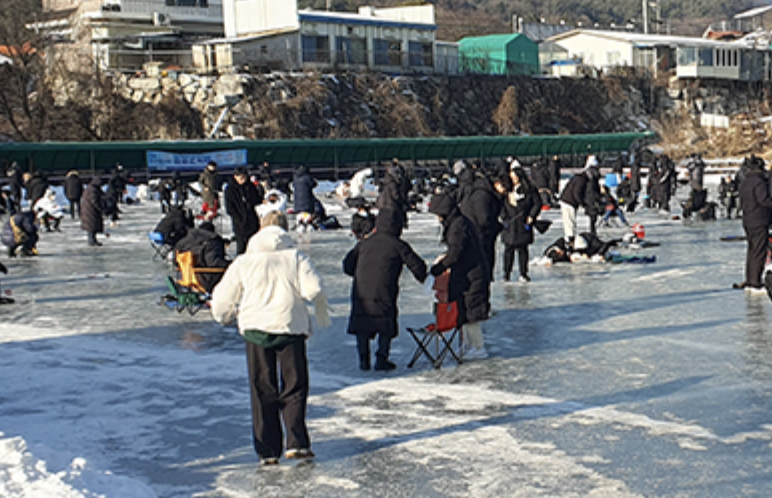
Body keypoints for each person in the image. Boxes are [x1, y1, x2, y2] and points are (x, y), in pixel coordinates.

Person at [211, 211, 330, 466]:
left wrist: (223, 316)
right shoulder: (296, 257)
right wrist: (317, 302)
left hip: (256, 329)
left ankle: (267, 449)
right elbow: (314, 289)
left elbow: (222, 298)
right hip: (290, 327)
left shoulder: (244, 262)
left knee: (262, 388)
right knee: (294, 386)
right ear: (285, 231)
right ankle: (296, 442)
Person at [343, 208, 427, 371]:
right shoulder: (397, 245)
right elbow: (417, 265)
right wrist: (426, 279)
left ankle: (364, 359)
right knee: (385, 321)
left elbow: (347, 266)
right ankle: (382, 358)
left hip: (362, 289)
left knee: (362, 321)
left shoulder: (364, 244)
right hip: (384, 290)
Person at [427, 193, 491, 359]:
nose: (437, 218)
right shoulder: (458, 222)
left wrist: (439, 267)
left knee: (471, 313)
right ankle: (468, 345)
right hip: (467, 273)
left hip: (472, 275)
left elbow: (456, 253)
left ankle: (478, 347)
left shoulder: (458, 226)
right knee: (463, 310)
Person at [455, 160, 502, 281]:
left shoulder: (469, 190)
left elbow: (482, 218)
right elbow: (484, 219)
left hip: (473, 235)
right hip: (479, 237)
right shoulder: (479, 191)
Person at [495, 166, 541, 283]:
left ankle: (523, 273)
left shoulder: (529, 189)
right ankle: (506, 274)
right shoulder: (507, 190)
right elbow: (500, 205)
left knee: (522, 249)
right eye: (512, 177)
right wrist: (504, 217)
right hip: (510, 223)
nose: (514, 180)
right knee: (508, 250)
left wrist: (531, 215)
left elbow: (537, 203)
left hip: (523, 222)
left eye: (515, 177)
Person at [735, 155, 772, 293]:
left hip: (748, 220)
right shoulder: (759, 182)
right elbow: (763, 200)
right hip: (759, 220)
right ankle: (755, 282)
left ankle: (751, 280)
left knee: (752, 251)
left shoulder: (746, 181)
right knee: (759, 252)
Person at [174, 221, 230, 293]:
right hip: (206, 280)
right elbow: (214, 262)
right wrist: (231, 264)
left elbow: (175, 261)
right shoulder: (213, 241)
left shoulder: (182, 242)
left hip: (187, 279)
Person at [559, 155, 601, 241]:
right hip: (568, 202)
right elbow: (576, 194)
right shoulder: (581, 180)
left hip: (568, 201)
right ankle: (569, 241)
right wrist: (582, 203)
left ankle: (570, 239)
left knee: (571, 223)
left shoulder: (581, 178)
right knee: (569, 223)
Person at [225, 166, 263, 255]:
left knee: (254, 246)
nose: (243, 180)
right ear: (235, 177)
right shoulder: (230, 189)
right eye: (241, 178)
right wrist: (239, 220)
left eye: (244, 178)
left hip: (252, 221)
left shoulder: (250, 186)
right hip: (240, 224)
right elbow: (230, 208)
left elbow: (256, 200)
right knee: (241, 247)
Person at [80, 176, 107, 247]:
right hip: (90, 210)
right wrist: (100, 208)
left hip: (89, 209)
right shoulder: (92, 190)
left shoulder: (92, 188)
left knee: (92, 224)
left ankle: (93, 239)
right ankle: (91, 240)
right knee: (91, 225)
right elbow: (94, 200)